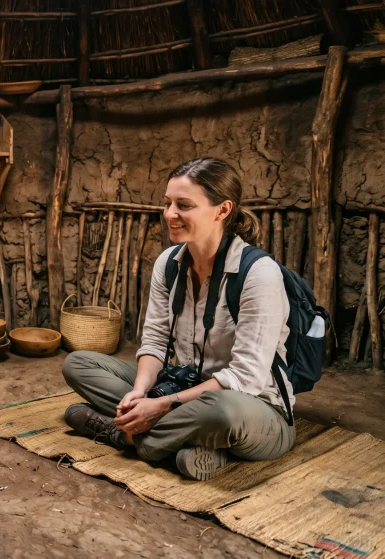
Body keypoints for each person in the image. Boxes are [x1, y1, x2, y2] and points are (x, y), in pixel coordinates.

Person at [62, 157, 295, 480]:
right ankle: (187, 446)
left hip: (251, 409)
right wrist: (141, 392)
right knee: (79, 364)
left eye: (183, 205)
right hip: (184, 388)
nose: (170, 214)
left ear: (222, 210)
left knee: (221, 412)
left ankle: (122, 435)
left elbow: (246, 378)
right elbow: (155, 341)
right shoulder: (169, 263)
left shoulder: (258, 274)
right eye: (168, 203)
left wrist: (164, 404)